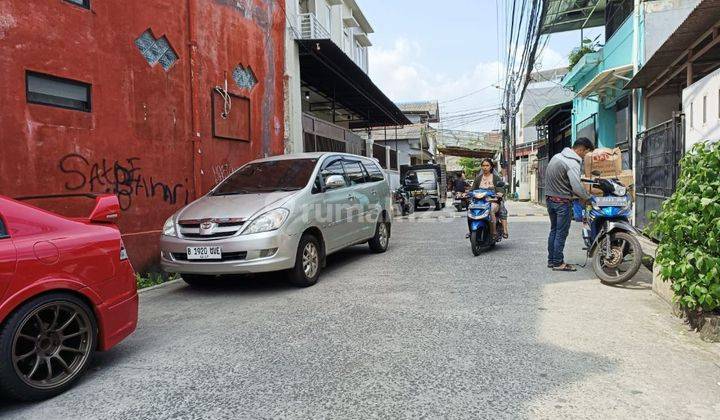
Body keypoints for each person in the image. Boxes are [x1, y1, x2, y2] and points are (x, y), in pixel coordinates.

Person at [545, 137, 595, 272]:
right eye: (586, 153)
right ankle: (558, 263)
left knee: (554, 230)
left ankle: (552, 261)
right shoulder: (572, 162)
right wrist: (588, 198)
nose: (585, 156)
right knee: (561, 232)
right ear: (580, 149)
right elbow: (576, 187)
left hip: (550, 200)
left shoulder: (557, 157)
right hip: (561, 202)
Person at [471, 159, 508, 239]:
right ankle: (471, 230)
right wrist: (465, 193)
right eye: (483, 166)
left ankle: (496, 232)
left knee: (494, 210)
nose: (485, 167)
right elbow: (472, 190)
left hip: (493, 201)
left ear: (491, 167)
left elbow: (501, 188)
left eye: (487, 165)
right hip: (480, 202)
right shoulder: (478, 179)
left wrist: (500, 193)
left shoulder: (496, 178)